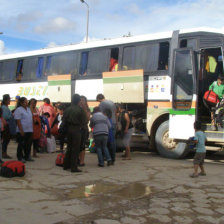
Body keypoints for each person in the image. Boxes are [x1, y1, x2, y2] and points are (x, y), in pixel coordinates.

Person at [63, 94, 86, 173]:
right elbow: (84, 122)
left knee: (69, 147)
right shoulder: (80, 110)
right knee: (75, 149)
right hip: (76, 129)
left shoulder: (67, 109)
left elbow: (64, 120)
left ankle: (66, 165)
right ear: (78, 101)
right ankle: (74, 167)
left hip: (68, 129)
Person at [96, 94, 117, 164]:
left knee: (105, 142)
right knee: (112, 141)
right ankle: (113, 159)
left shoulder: (102, 104)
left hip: (107, 123)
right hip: (113, 122)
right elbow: (116, 112)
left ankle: (107, 158)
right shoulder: (111, 102)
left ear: (99, 99)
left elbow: (102, 115)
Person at [14, 97, 33, 162]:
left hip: (29, 130)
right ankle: (20, 157)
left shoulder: (28, 109)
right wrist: (21, 130)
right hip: (22, 130)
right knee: (21, 144)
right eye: (25, 102)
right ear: (21, 103)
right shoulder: (19, 110)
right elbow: (18, 121)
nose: (26, 103)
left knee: (28, 144)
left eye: (27, 101)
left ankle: (27, 156)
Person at [79, 95, 91, 166]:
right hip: (77, 129)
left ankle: (82, 161)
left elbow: (87, 119)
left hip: (83, 129)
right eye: (80, 100)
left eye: (83, 100)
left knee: (82, 145)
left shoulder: (87, 109)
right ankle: (77, 159)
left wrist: (84, 109)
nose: (81, 102)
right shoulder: (76, 108)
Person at [1, 94, 13, 159]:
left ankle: (4, 152)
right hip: (5, 126)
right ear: (5, 100)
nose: (9, 101)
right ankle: (4, 153)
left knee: (6, 140)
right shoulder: (4, 108)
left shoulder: (5, 107)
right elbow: (6, 117)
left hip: (6, 125)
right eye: (8, 99)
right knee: (5, 140)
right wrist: (12, 115)